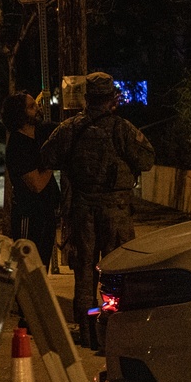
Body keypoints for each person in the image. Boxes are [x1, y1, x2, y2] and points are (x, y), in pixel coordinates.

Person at [40, 72, 155, 347]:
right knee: (116, 275)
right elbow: (147, 159)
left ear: (86, 98)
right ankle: (111, 331)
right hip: (115, 212)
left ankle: (89, 330)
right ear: (111, 99)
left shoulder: (70, 128)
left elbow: (47, 156)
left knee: (85, 276)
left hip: (81, 212)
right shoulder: (122, 129)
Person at [0, 91, 60, 269]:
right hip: (29, 216)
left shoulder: (41, 133)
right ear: (20, 114)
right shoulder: (18, 146)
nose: (38, 108)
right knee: (26, 269)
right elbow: (37, 184)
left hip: (47, 214)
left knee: (42, 270)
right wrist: (51, 162)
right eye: (32, 106)